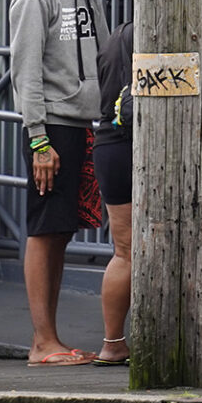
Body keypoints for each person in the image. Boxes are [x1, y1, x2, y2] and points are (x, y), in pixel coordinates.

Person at [8, 0, 110, 367]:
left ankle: (50, 337)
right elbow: (24, 72)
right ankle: (41, 342)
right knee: (45, 231)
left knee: (62, 231)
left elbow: (103, 52)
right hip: (52, 126)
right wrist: (38, 140)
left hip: (81, 123)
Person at [88, 23, 134, 368]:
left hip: (108, 142)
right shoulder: (163, 37)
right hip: (137, 141)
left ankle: (112, 342)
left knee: (125, 251)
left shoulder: (115, 37)